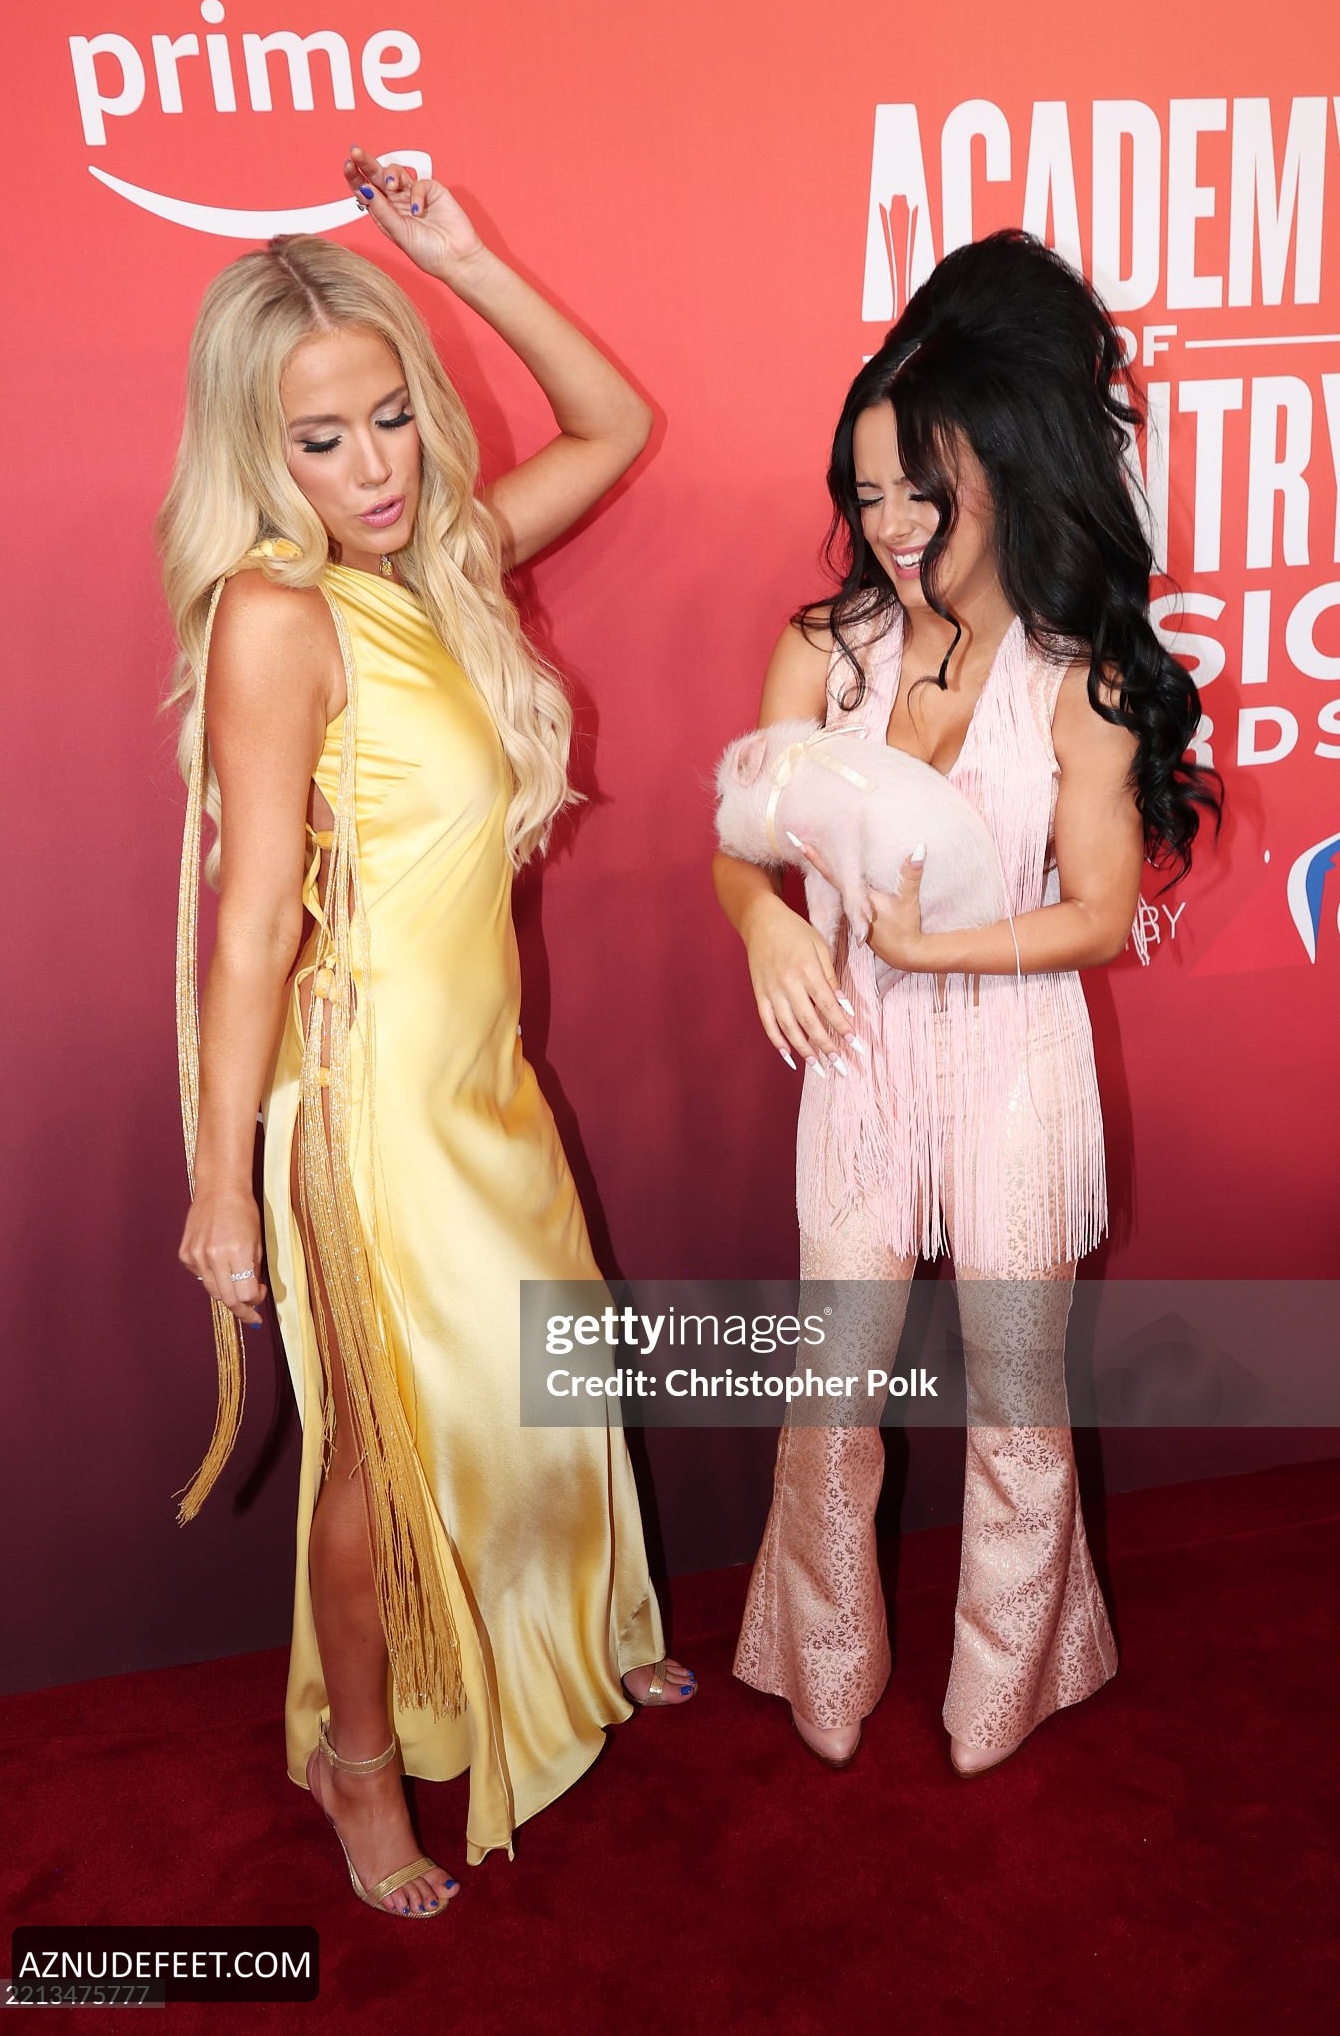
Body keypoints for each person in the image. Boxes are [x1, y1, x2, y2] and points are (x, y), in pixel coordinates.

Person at [164, 145, 695, 1919]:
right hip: (367, 1104)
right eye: (323, 441)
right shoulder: (278, 614)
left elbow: (614, 425)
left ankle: (570, 1637)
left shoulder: (434, 559)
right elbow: (253, 924)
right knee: (383, 1457)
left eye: (391, 417)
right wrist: (220, 1187)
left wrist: (460, 257)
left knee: (544, 1376)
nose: (376, 468)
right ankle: (359, 1762)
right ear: (259, 455)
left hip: (481, 1085)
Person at [713, 229, 1221, 1775]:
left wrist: (927, 953)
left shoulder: (1077, 674)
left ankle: (1011, 1677)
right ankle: (821, 1661)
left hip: (1011, 1065)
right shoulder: (824, 651)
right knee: (833, 1389)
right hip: (857, 1065)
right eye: (865, 492)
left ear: (999, 474)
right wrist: (763, 925)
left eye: (922, 492)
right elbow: (739, 840)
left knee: (1012, 1393)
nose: (888, 526)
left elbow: (1096, 913)